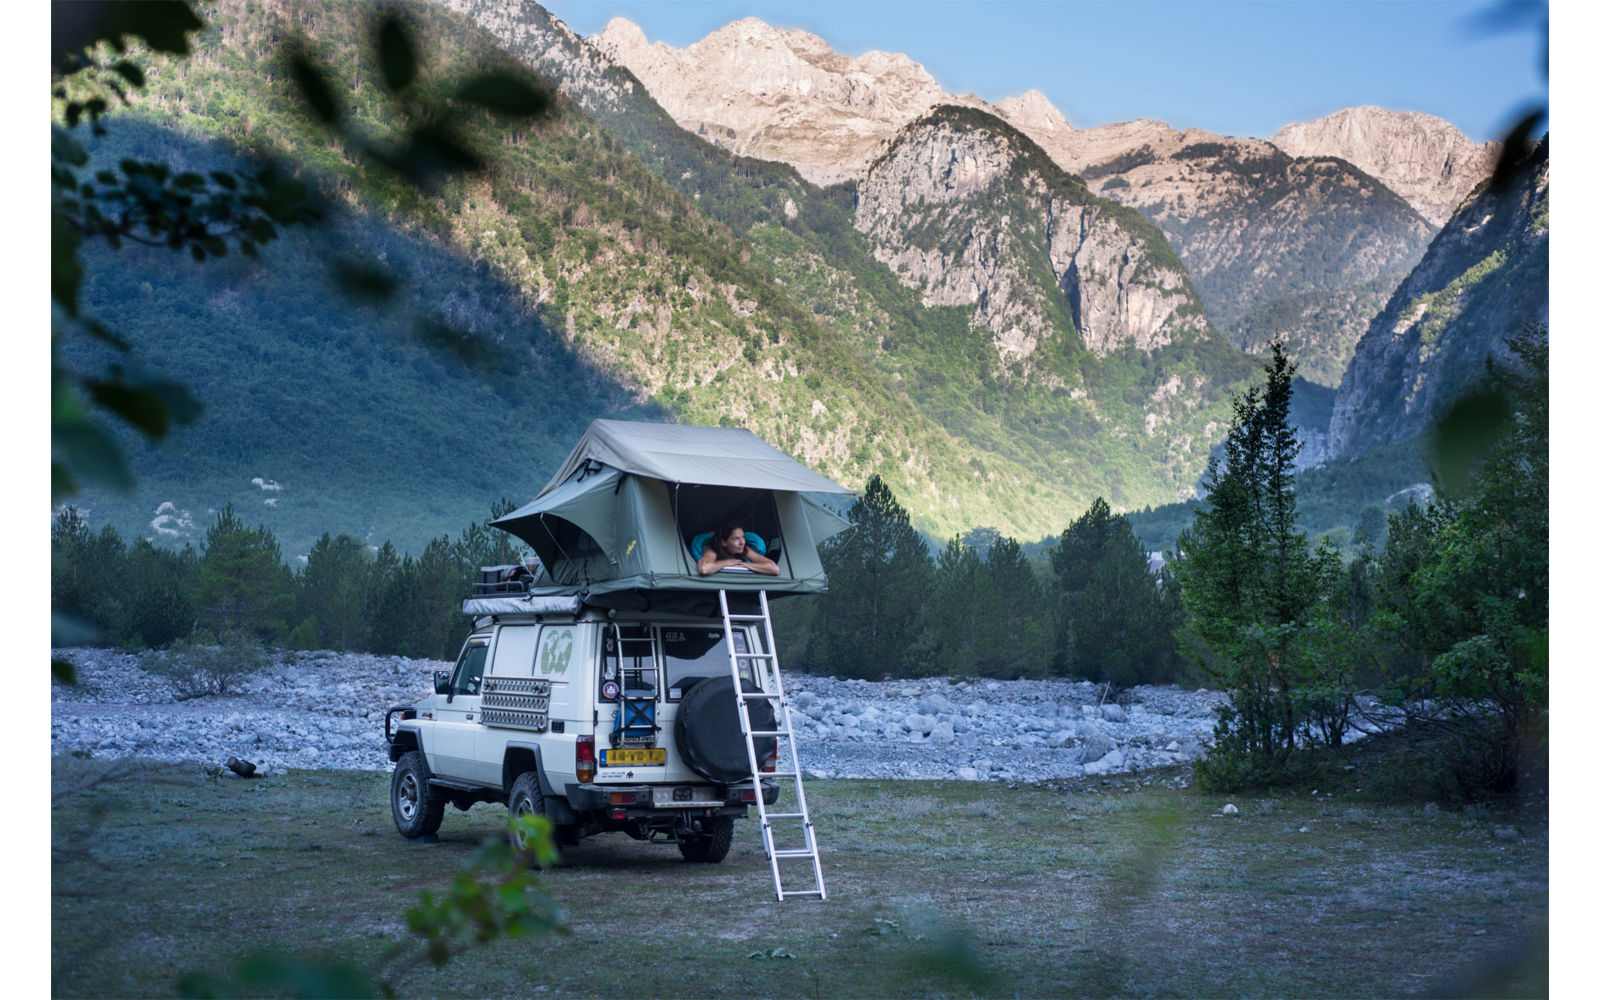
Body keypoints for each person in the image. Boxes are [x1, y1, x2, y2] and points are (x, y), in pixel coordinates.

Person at [697, 521, 779, 576]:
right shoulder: (713, 548)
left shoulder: (743, 548)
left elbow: (774, 568)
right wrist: (727, 563)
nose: (742, 542)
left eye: (742, 537)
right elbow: (704, 568)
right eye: (736, 539)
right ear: (724, 542)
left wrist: (744, 565)